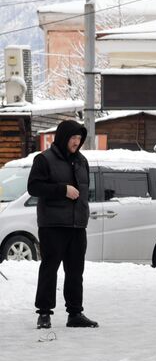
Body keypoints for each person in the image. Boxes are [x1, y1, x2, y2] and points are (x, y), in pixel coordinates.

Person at [28, 119, 98, 329]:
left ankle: (75, 313)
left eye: (79, 138)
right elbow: (34, 187)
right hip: (53, 225)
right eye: (73, 138)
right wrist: (62, 190)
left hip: (77, 226)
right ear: (63, 137)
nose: (77, 142)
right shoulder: (44, 159)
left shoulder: (82, 161)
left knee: (76, 271)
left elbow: (84, 192)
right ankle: (44, 314)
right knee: (50, 269)